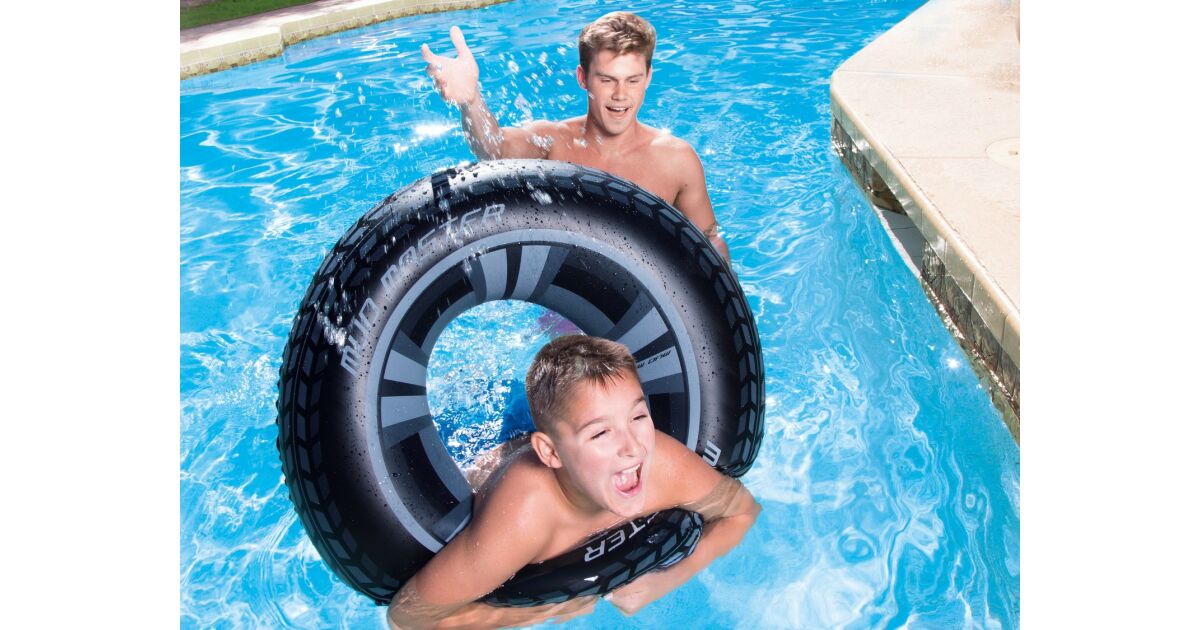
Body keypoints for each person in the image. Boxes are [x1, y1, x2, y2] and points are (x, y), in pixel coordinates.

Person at [387, 335, 761, 628]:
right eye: (602, 434)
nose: (633, 448)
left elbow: (742, 511)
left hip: (559, 433)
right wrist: (537, 610)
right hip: (477, 443)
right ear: (550, 454)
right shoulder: (525, 518)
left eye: (638, 417)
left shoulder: (663, 466)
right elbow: (408, 617)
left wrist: (664, 581)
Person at [420, 11, 731, 262]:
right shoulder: (555, 142)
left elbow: (710, 242)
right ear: (583, 78)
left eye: (632, 80)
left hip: (650, 303)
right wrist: (471, 100)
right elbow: (494, 149)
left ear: (648, 78)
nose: (620, 95)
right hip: (570, 302)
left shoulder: (676, 160)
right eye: (607, 80)